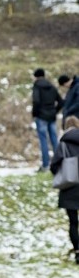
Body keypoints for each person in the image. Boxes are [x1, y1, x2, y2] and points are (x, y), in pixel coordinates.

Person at [50, 115, 79, 264]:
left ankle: (78, 250)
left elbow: (54, 165)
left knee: (73, 222)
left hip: (70, 187)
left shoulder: (63, 144)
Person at [32, 68, 63, 172]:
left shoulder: (37, 86)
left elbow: (36, 101)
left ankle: (45, 165)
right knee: (54, 140)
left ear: (35, 76)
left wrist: (35, 114)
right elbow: (61, 102)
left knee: (43, 141)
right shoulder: (52, 86)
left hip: (41, 117)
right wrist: (54, 111)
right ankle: (59, 163)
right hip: (52, 116)